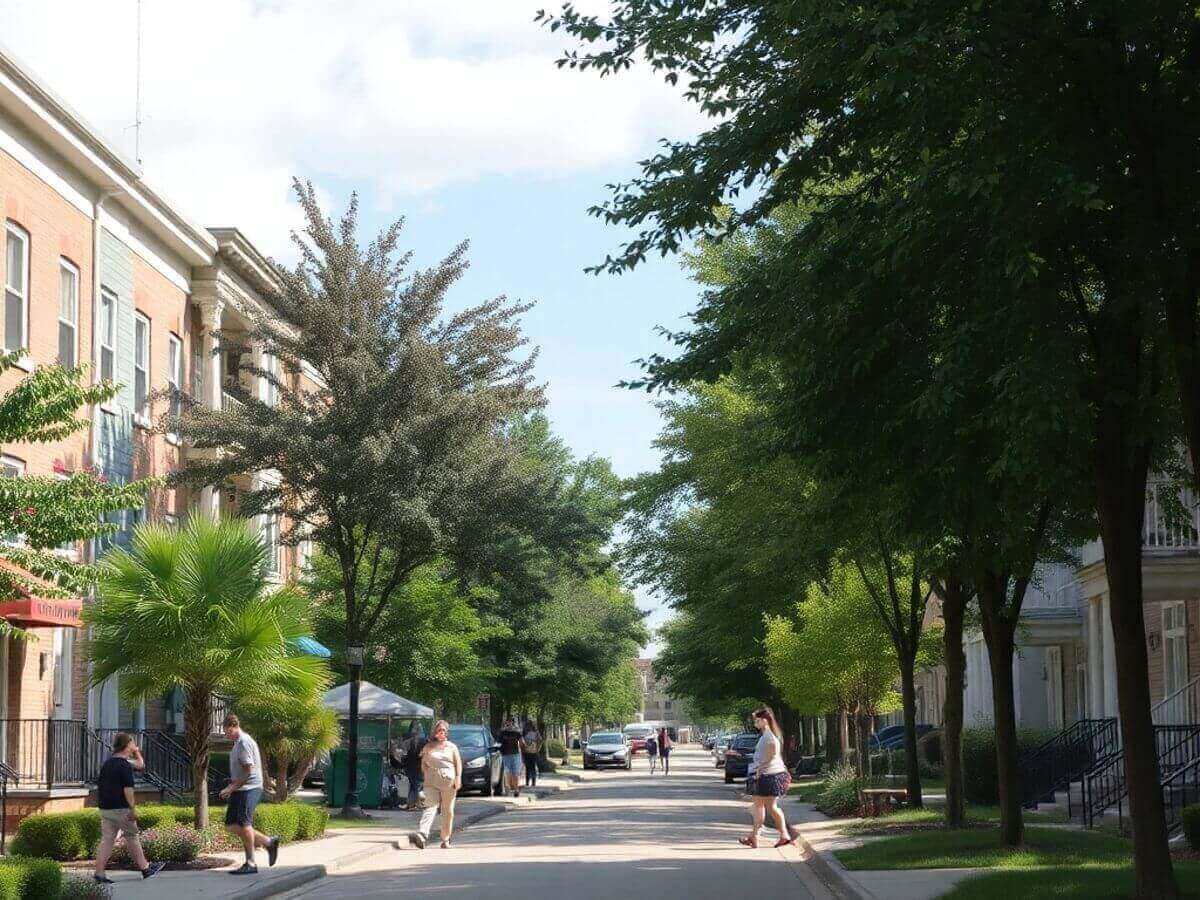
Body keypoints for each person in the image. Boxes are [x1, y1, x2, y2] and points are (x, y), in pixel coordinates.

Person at [93, 733, 166, 884]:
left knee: (107, 839)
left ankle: (99, 873)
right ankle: (146, 869)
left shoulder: (109, 763)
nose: (134, 745)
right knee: (132, 837)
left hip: (105, 808)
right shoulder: (124, 765)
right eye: (132, 743)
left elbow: (141, 765)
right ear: (127, 744)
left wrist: (137, 751)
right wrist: (132, 809)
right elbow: (128, 790)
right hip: (121, 809)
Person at [219, 714, 281, 875]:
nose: (226, 735)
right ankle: (268, 842)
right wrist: (233, 787)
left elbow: (248, 771)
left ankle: (251, 863)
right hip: (241, 789)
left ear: (233, 727)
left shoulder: (244, 742)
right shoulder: (237, 743)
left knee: (244, 824)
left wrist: (231, 788)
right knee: (231, 825)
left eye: (227, 731)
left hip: (250, 788)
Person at [738, 706, 796, 849]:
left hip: (768, 776)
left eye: (757, 720)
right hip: (771, 775)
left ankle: (755, 836)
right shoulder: (768, 736)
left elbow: (771, 757)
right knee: (770, 807)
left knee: (759, 806)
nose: (755, 723)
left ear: (765, 720)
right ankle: (782, 835)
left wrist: (759, 771)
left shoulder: (769, 738)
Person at [409, 719, 462, 849]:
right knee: (430, 807)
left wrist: (458, 778)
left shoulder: (452, 747)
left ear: (447, 733)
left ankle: (445, 839)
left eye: (444, 730)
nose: (441, 732)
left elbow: (458, 763)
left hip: (448, 780)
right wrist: (426, 770)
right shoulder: (428, 747)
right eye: (439, 730)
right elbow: (423, 764)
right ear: (435, 732)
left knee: (447, 811)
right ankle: (422, 834)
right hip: (431, 780)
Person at [401, 722, 427, 810]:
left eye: (418, 728)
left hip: (419, 766)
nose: (416, 730)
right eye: (415, 728)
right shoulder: (408, 741)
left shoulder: (424, 741)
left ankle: (415, 803)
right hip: (411, 766)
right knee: (413, 784)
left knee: (416, 784)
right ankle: (411, 803)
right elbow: (404, 751)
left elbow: (426, 753)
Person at [498, 717, 525, 797]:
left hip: (515, 755)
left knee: (515, 773)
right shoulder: (502, 733)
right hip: (505, 755)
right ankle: (508, 789)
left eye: (510, 722)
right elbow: (498, 743)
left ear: (513, 723)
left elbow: (522, 742)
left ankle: (516, 790)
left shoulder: (517, 732)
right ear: (505, 723)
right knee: (507, 773)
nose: (509, 724)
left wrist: (523, 746)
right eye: (508, 722)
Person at [522, 721, 542, 790]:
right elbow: (522, 742)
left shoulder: (535, 733)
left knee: (531, 767)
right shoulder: (525, 733)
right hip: (527, 752)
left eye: (529, 725)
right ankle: (528, 782)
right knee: (528, 767)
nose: (528, 727)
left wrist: (537, 749)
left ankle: (532, 782)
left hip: (532, 752)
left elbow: (540, 741)